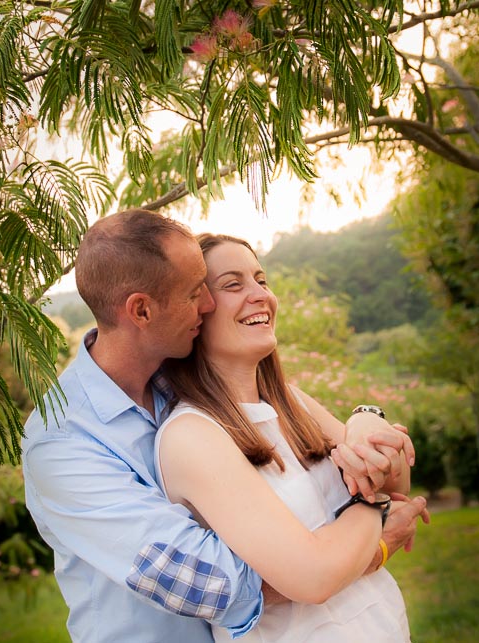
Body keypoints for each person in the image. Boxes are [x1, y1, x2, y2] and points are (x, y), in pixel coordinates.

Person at [21, 208, 428, 643]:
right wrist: (372, 535)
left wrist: (366, 419)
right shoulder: (63, 445)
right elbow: (217, 583)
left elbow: (380, 472)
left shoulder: (186, 382)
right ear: (141, 311)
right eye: (196, 291)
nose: (208, 304)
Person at [156, 233, 430, 642]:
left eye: (261, 280)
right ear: (195, 311)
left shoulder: (291, 401)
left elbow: (397, 483)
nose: (260, 296)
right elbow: (314, 578)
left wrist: (365, 421)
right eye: (233, 284)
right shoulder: (191, 434)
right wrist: (372, 505)